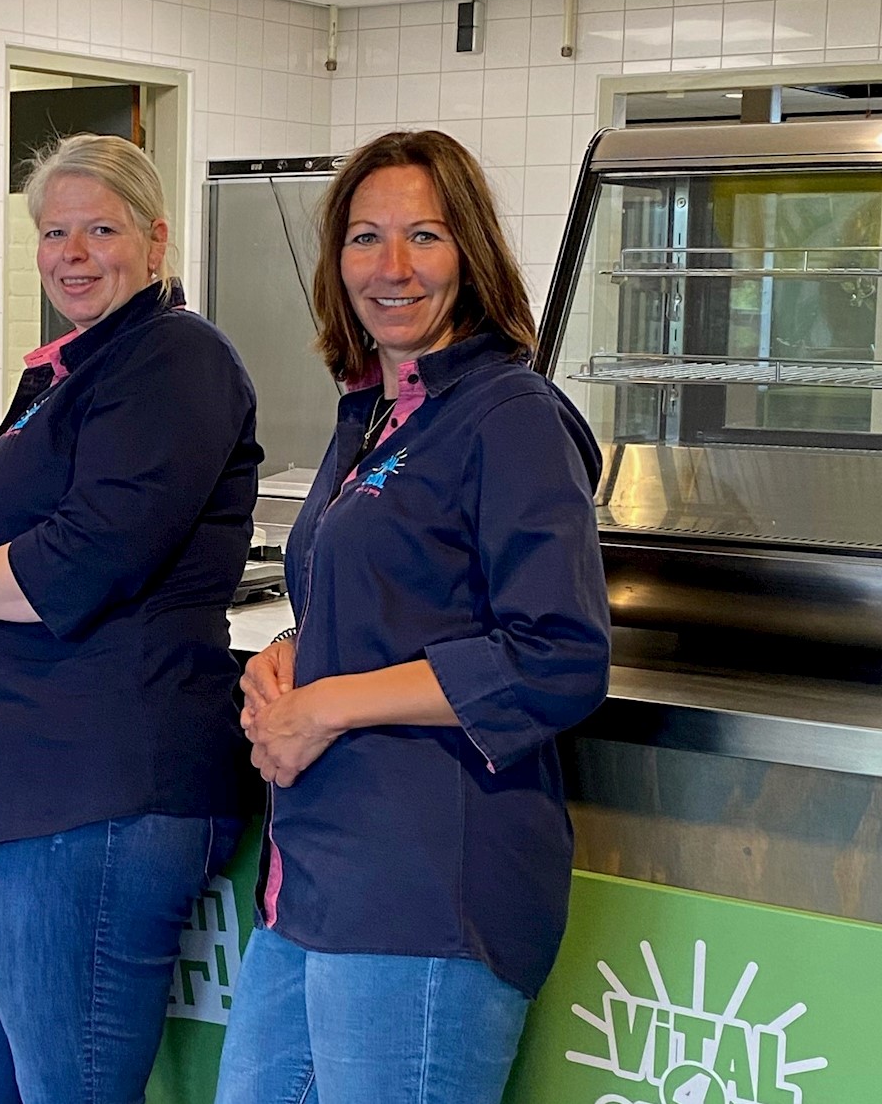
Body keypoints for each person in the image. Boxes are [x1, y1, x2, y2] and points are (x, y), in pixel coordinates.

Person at [218, 129, 611, 1104]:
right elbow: (379, 592)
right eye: (365, 237)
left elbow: (556, 653)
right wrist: (287, 653)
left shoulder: (511, 413)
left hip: (427, 886)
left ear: (470, 252)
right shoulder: (374, 412)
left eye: (424, 236)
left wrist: (332, 703)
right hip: (311, 875)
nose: (391, 267)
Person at [0, 133, 260, 1104]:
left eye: (101, 227)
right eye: (55, 230)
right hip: (1, 790)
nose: (73, 251)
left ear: (156, 238)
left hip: (103, 788)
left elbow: (91, 552)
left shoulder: (177, 357)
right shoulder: (68, 369)